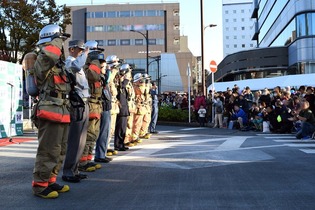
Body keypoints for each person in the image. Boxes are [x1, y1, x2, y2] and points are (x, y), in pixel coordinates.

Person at [31, 24, 71, 198]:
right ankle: (40, 185)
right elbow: (50, 54)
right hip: (49, 109)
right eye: (59, 40)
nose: (62, 44)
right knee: (48, 150)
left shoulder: (57, 64)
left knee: (59, 149)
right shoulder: (42, 58)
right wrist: (56, 40)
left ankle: (51, 181)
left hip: (61, 109)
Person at [62, 40, 90, 183]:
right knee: (74, 140)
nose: (82, 52)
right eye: (80, 50)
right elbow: (77, 65)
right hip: (76, 103)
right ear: (71, 49)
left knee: (81, 140)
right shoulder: (70, 62)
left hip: (84, 102)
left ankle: (75, 169)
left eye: (82, 50)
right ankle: (68, 171)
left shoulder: (77, 63)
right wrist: (85, 54)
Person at [78, 41, 104, 172]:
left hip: (96, 105)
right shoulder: (86, 67)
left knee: (93, 135)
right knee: (88, 135)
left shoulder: (95, 66)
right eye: (96, 53)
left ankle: (88, 159)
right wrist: (94, 61)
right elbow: (93, 76)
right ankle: (82, 162)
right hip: (90, 103)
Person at [94, 56, 113, 163]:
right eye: (104, 67)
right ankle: (99, 155)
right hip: (101, 106)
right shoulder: (97, 78)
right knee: (101, 132)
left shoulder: (103, 77)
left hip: (106, 106)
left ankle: (102, 153)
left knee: (105, 132)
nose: (106, 69)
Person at [114, 64, 130, 151]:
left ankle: (121, 144)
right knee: (119, 128)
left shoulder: (124, 85)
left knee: (123, 128)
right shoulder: (119, 84)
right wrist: (126, 79)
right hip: (120, 109)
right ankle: (117, 145)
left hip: (124, 109)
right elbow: (121, 86)